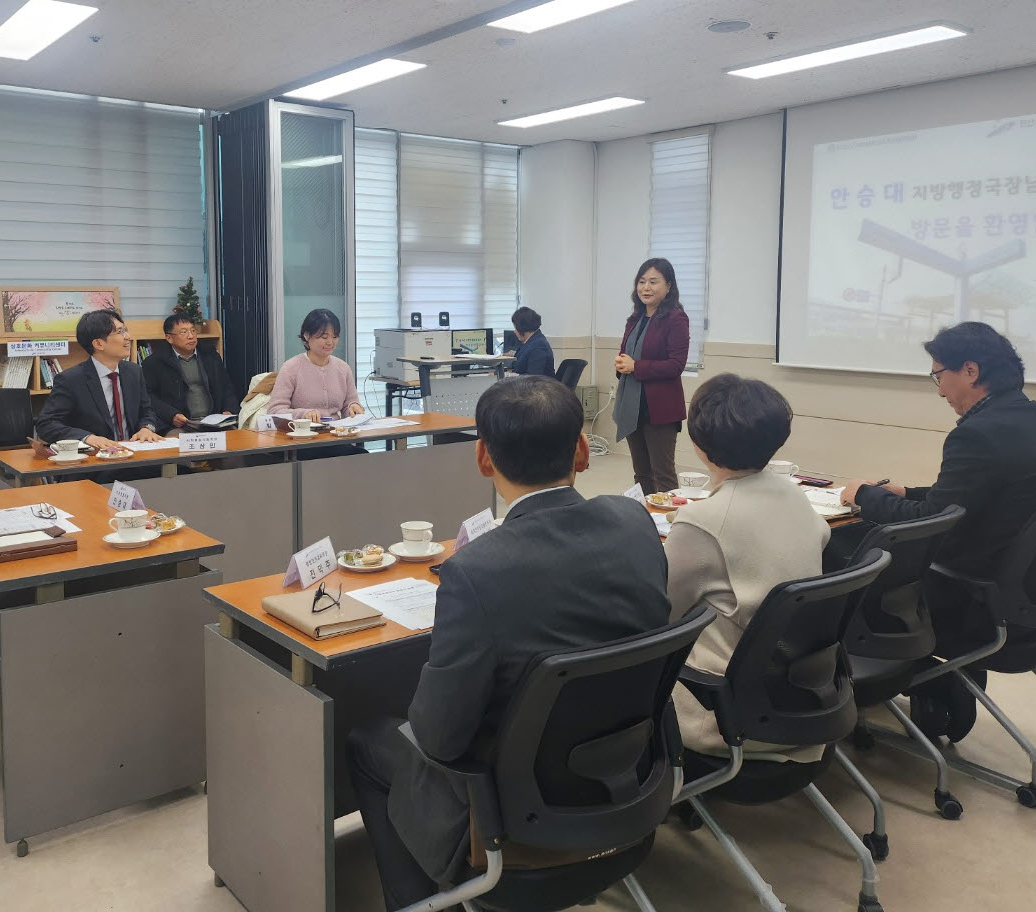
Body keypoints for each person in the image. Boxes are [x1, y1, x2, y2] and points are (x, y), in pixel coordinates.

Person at [345, 375, 671, 910]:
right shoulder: (636, 523)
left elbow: (438, 738)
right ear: (583, 450)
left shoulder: (476, 570)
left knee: (369, 742)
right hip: (628, 791)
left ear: (483, 459)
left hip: (514, 824)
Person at [839, 321, 1036, 737]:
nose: (939, 391)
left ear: (970, 371)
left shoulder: (978, 434)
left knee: (843, 561)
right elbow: (978, 497)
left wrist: (866, 496)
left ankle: (845, 696)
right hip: (1034, 600)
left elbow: (934, 522)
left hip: (974, 603)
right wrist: (907, 491)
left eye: (938, 376)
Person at [665, 374, 830, 762]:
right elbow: (822, 538)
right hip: (800, 692)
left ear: (698, 443)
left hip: (721, 711)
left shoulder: (703, 521)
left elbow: (660, 612)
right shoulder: (794, 494)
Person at [613, 257, 690, 495]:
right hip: (632, 406)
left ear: (668, 286)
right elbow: (626, 355)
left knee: (663, 473)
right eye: (642, 281)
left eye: (654, 282)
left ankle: (671, 525)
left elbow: (675, 365)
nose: (646, 287)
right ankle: (647, 521)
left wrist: (637, 367)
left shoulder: (676, 319)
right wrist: (621, 365)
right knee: (641, 473)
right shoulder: (635, 319)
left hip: (660, 409)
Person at [34, 309, 163, 448]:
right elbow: (46, 424)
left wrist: (146, 428)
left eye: (125, 330)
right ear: (98, 344)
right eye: (120, 332)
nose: (128, 336)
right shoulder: (71, 380)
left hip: (133, 453)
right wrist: (86, 438)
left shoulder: (134, 371)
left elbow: (147, 411)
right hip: (96, 459)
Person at [141, 314, 237, 434]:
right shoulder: (155, 362)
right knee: (176, 441)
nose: (191, 336)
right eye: (184, 332)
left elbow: (226, 386)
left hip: (214, 422)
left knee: (235, 437)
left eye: (193, 330)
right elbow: (149, 396)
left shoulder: (211, 355)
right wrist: (171, 415)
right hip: (179, 424)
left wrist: (228, 410)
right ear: (169, 338)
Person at [267, 309, 364, 421]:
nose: (330, 342)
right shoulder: (291, 368)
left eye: (335, 337)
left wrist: (353, 407)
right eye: (324, 337)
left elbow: (349, 404)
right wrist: (304, 414)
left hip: (336, 434)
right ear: (307, 336)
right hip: (302, 434)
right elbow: (274, 411)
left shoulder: (343, 368)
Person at [508, 306, 554, 376]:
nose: (515, 331)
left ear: (522, 327)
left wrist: (511, 376)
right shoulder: (532, 341)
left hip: (538, 386)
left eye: (515, 327)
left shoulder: (539, 345)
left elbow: (533, 376)